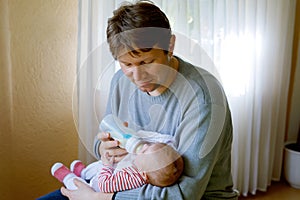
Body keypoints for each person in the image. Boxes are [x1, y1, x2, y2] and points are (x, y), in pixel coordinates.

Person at [38, 1, 238, 199]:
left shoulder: (203, 98)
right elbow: (106, 135)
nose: (138, 76)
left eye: (146, 62)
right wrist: (105, 149)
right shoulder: (120, 81)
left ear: (170, 45)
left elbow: (185, 193)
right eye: (126, 64)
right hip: (122, 184)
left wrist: (100, 199)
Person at [51, 142, 183, 192]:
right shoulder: (141, 167)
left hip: (97, 188)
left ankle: (68, 177)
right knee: (101, 164)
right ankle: (84, 172)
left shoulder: (132, 179)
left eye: (144, 152)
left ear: (144, 174)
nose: (144, 147)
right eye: (148, 146)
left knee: (83, 185)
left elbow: (105, 184)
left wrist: (107, 166)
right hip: (109, 173)